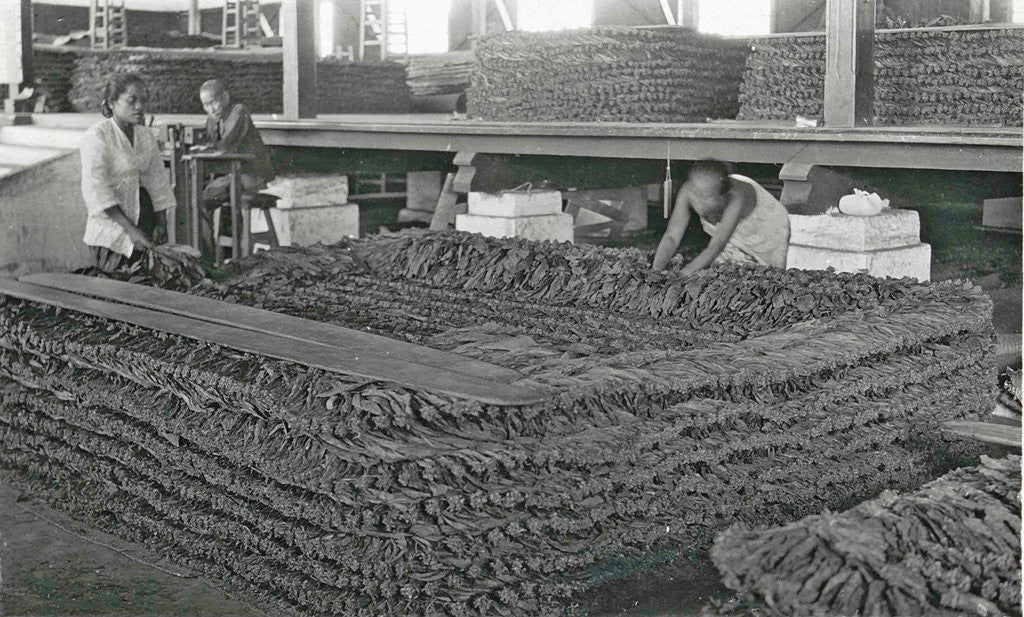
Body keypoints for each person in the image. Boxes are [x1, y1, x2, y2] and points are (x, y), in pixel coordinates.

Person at [80, 73, 177, 272]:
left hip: (143, 227)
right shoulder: (97, 136)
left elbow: (158, 182)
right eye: (132, 101)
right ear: (112, 103)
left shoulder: (145, 137)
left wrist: (161, 222)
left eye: (143, 101)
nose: (139, 107)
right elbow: (97, 190)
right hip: (110, 231)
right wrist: (132, 231)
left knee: (145, 285)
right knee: (114, 289)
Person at [652, 159, 790, 275]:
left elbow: (718, 243)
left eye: (705, 196)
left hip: (765, 230)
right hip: (727, 235)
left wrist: (683, 275)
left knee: (768, 276)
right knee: (725, 273)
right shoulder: (690, 190)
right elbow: (672, 236)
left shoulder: (738, 197)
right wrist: (656, 271)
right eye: (694, 192)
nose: (697, 200)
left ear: (723, 196)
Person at [191, 79, 274, 263]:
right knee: (196, 198)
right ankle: (213, 256)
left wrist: (206, 148)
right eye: (206, 104)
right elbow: (213, 147)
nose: (211, 109)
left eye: (214, 101)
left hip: (252, 175)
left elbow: (225, 145)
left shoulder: (239, 112)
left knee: (201, 200)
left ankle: (210, 260)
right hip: (231, 176)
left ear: (226, 96)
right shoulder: (212, 121)